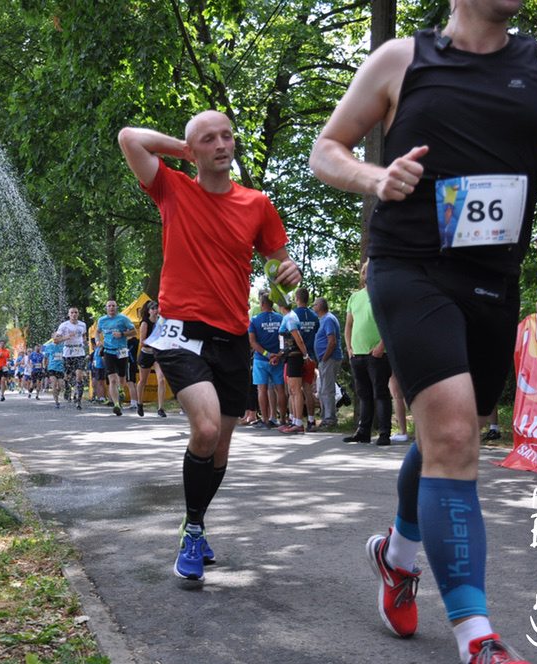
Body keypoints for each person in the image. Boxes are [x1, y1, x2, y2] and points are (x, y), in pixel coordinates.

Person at [309, 0, 537, 658]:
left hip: (492, 280)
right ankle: (479, 639)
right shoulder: (401, 59)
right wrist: (375, 176)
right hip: (409, 266)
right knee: (450, 434)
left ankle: (397, 556)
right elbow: (325, 150)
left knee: (453, 434)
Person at [118, 109, 300, 582]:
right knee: (205, 428)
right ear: (193, 149)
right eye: (208, 139)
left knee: (219, 447)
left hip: (233, 337)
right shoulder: (172, 189)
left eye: (226, 136)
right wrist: (181, 148)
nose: (221, 145)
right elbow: (130, 137)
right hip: (182, 333)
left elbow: (281, 273)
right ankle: (194, 532)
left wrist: (290, 273)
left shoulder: (257, 204)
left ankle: (193, 521)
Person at [343, 262, 393, 446]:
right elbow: (348, 325)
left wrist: (381, 346)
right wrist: (349, 348)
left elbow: (390, 324)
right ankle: (363, 432)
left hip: (378, 354)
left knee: (380, 393)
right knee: (363, 394)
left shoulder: (384, 295)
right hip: (357, 354)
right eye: (365, 271)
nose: (368, 274)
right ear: (363, 275)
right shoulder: (355, 297)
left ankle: (384, 433)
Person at [248, 292, 286, 429]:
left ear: (262, 304)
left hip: (261, 359)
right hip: (278, 359)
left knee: (261, 389)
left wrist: (267, 354)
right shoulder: (281, 318)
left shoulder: (254, 320)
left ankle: (265, 420)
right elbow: (286, 340)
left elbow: (252, 342)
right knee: (280, 389)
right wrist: (278, 355)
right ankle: (282, 420)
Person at [95, 299, 138, 416]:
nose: (111, 308)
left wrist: (122, 334)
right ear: (106, 308)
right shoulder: (102, 320)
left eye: (113, 306)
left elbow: (134, 332)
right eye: (109, 306)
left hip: (122, 351)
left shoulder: (123, 319)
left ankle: (121, 389)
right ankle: (116, 404)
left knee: (122, 378)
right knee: (113, 379)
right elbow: (97, 332)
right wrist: (98, 340)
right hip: (108, 351)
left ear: (116, 307)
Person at [277, 299, 310, 434]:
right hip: (289, 356)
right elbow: (286, 342)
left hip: (295, 357)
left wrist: (305, 355)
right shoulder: (288, 317)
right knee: (292, 390)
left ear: (280, 306)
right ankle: (294, 421)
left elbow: (298, 339)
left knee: (296, 390)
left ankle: (298, 423)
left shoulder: (290, 318)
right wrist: (278, 355)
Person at [312, 297, 343, 428]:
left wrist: (324, 357)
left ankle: (330, 419)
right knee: (323, 389)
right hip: (324, 360)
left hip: (330, 359)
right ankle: (325, 417)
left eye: (315, 304)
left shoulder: (328, 319)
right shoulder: (323, 319)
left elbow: (332, 341)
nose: (313, 306)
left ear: (320, 306)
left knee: (327, 389)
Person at [293, 287, 320, 431]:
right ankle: (311, 420)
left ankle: (294, 420)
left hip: (296, 356)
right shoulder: (314, 316)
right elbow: (317, 334)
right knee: (308, 389)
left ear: (297, 298)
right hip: (311, 356)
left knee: (294, 390)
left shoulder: (293, 315)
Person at [54, 306, 90, 410]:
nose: (74, 314)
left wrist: (85, 342)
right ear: (69, 314)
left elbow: (84, 336)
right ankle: (68, 388)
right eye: (72, 312)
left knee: (79, 376)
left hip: (79, 352)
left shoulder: (82, 324)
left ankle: (78, 400)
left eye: (76, 312)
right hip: (68, 353)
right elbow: (55, 340)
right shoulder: (63, 325)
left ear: (78, 314)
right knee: (67, 377)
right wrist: (66, 337)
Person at [137, 300, 168, 418]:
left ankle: (160, 408)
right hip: (146, 354)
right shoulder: (145, 323)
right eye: (153, 309)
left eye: (157, 308)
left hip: (157, 355)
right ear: (149, 311)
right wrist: (154, 341)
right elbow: (142, 342)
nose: (155, 310)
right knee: (143, 381)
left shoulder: (161, 322)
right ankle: (139, 403)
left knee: (161, 379)